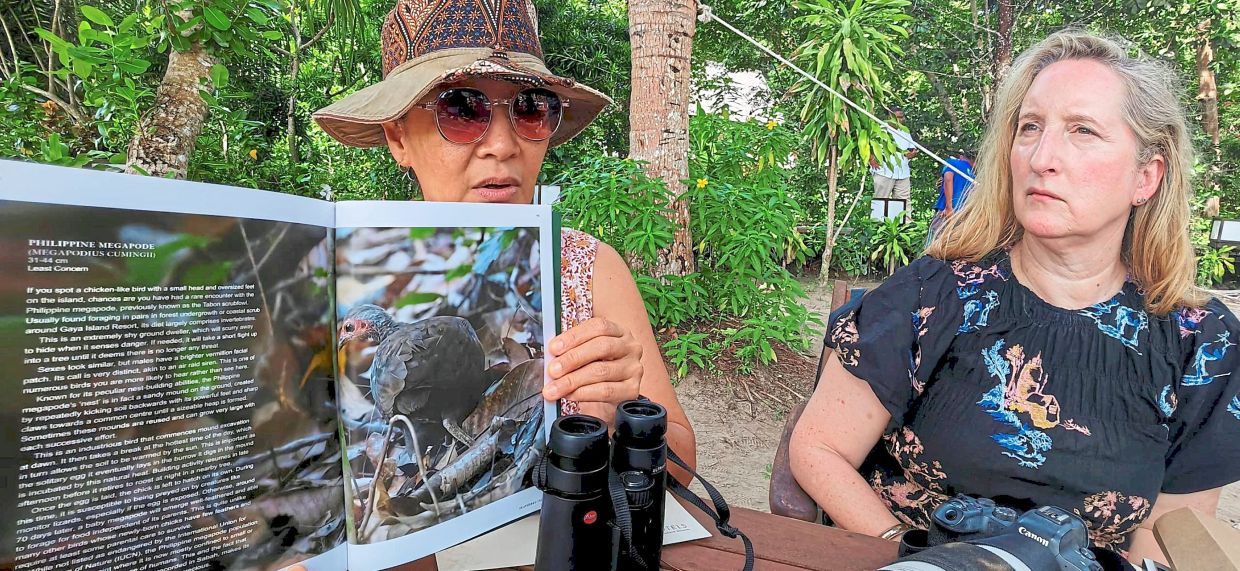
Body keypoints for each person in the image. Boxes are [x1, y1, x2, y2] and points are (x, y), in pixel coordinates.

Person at [789, 29, 1240, 564]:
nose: (1042, 156)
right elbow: (818, 448)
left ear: (1146, 176)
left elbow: (1167, 536)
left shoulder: (1201, 344)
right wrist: (907, 555)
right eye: (1030, 127)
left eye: (1083, 131)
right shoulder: (932, 295)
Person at [311, 0, 696, 481]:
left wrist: (627, 417)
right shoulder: (345, 259)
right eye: (460, 109)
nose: (503, 144)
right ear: (398, 137)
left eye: (530, 110)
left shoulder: (591, 269)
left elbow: (682, 464)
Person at [869, 107, 918, 206]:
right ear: (890, 117)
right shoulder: (880, 129)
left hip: (903, 172)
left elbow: (910, 150)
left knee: (904, 201)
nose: (901, 119)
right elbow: (868, 146)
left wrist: (911, 155)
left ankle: (905, 221)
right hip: (884, 171)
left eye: (902, 117)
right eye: (898, 117)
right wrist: (871, 159)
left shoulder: (905, 132)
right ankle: (878, 221)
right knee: (881, 200)